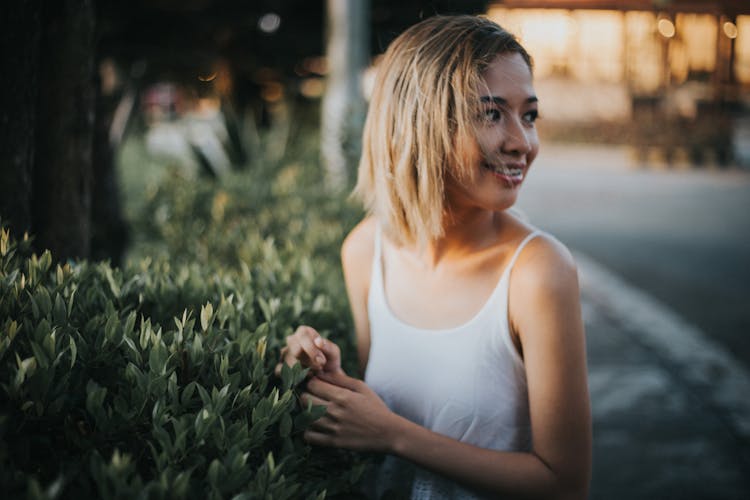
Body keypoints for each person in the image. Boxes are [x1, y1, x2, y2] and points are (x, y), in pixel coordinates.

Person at [276, 15, 591, 499]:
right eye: (491, 114)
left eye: (528, 114)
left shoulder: (537, 272)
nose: (522, 142)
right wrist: (327, 378)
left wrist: (395, 436)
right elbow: (391, 411)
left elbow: (563, 483)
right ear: (420, 123)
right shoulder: (364, 252)